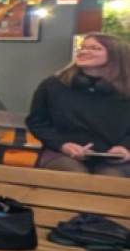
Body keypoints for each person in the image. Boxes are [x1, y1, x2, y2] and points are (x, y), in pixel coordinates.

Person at [26, 32, 130, 177]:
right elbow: (37, 122)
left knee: (110, 179)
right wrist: (62, 145)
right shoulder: (53, 85)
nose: (84, 52)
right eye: (82, 48)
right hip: (61, 152)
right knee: (75, 175)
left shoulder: (126, 90)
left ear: (116, 55)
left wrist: (125, 148)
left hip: (113, 158)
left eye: (95, 48)